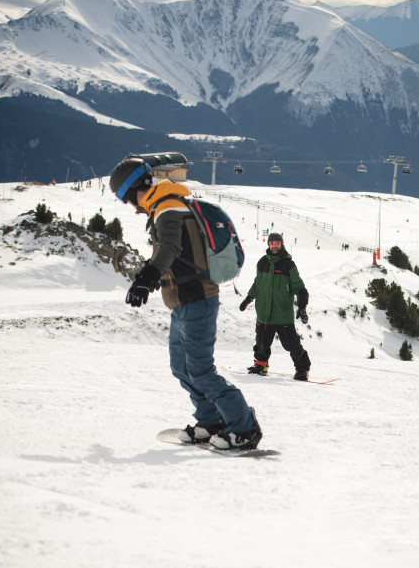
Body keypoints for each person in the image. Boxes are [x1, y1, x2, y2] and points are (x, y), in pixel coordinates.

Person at [109, 155, 262, 451]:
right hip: (182, 301)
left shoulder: (168, 206)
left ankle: (243, 427)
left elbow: (170, 247)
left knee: (201, 369)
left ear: (133, 191)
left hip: (197, 298)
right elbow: (177, 254)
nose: (131, 207)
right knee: (181, 367)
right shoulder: (164, 205)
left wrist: (147, 276)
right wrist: (150, 276)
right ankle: (211, 421)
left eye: (127, 200)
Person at [240, 232, 311, 380]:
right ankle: (260, 365)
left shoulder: (288, 264)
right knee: (261, 343)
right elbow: (257, 283)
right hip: (264, 314)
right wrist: (248, 298)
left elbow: (299, 286)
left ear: (282, 244)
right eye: (272, 243)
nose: (274, 246)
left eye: (277, 243)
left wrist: (302, 305)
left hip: (282, 314)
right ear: (268, 244)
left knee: (292, 345)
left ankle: (302, 369)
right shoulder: (262, 263)